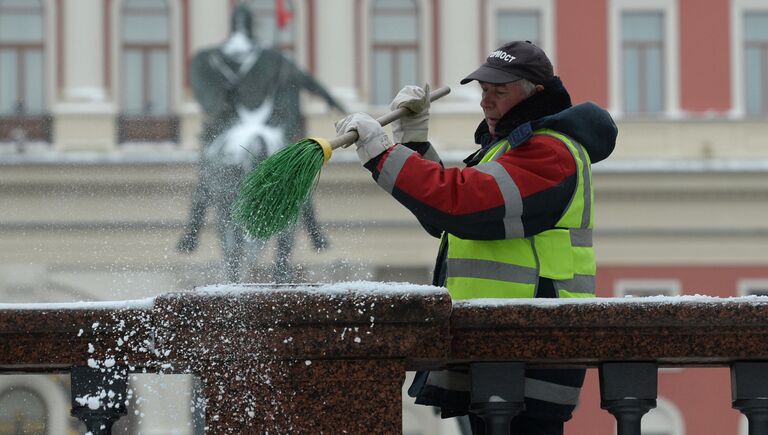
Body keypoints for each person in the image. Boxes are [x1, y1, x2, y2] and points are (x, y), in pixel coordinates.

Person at [335, 41, 617, 434]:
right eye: (484, 90)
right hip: (496, 354)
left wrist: (383, 154)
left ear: (535, 93)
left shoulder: (550, 152)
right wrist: (413, 143)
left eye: (498, 92)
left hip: (526, 355)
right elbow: (452, 217)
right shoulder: (510, 149)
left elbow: (464, 204)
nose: (486, 101)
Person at [177, 4, 344, 283]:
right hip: (244, 129)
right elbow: (305, 81)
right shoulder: (238, 58)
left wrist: (330, 99)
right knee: (291, 173)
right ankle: (313, 231)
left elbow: (303, 80)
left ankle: (192, 231)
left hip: (248, 129)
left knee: (213, 170)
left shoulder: (256, 57)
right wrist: (331, 100)